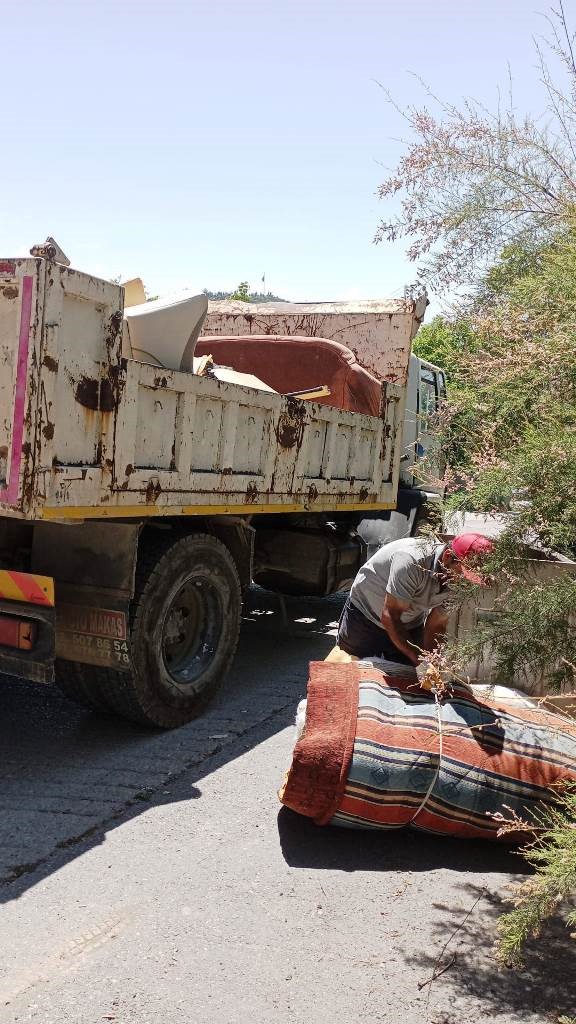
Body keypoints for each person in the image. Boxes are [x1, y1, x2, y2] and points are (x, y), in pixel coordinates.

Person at [336, 532, 494, 665]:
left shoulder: (461, 582)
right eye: (463, 574)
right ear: (447, 557)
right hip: (366, 615)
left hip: (408, 622)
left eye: (471, 579)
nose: (465, 582)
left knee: (407, 679)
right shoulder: (411, 560)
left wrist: (431, 659)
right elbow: (390, 615)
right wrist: (418, 658)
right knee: (350, 674)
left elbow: (436, 623)